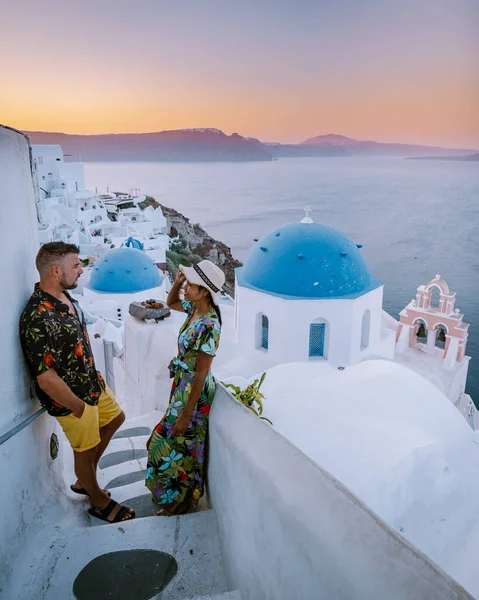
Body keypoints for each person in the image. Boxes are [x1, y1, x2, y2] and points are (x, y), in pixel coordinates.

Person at [19, 242, 135, 524]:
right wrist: (79, 407)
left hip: (93, 384)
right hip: (71, 397)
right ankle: (97, 500)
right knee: (83, 450)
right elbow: (46, 377)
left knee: (115, 419)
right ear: (56, 271)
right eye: (75, 265)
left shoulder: (66, 297)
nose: (82, 270)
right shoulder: (37, 316)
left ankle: (87, 480)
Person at [146, 260, 224, 515]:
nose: (186, 288)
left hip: (194, 392)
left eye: (191, 284)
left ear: (204, 292)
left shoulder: (210, 325)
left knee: (180, 445)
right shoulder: (194, 310)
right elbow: (169, 304)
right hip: (181, 385)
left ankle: (181, 501)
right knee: (168, 442)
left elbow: (203, 371)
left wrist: (187, 414)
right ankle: (174, 497)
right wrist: (179, 281)